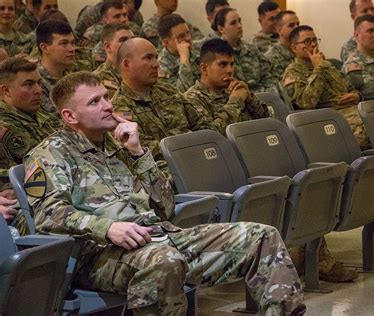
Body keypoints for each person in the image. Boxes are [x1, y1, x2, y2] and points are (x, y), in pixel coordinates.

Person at [24, 71, 306, 315]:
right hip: (100, 256)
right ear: (70, 116)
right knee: (165, 262)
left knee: (262, 237)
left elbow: (166, 205)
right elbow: (49, 215)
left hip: (159, 236)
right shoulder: (51, 153)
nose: (108, 106)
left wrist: (138, 152)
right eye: (95, 102)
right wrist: (107, 227)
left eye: (106, 97)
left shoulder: (118, 146)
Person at [111, 38, 218, 161]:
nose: (156, 64)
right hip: (164, 172)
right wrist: (189, 141)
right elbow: (144, 149)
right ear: (126, 64)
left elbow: (203, 126)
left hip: (200, 159)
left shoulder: (168, 91)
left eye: (156, 57)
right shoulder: (119, 108)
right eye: (148, 58)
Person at [282, 25, 369, 149]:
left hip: (351, 110)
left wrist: (356, 95)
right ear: (294, 47)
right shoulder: (292, 73)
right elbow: (306, 103)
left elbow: (349, 87)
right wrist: (318, 68)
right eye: (307, 41)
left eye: (315, 40)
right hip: (328, 118)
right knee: (368, 128)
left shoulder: (327, 64)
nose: (313, 45)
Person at [185, 38, 269, 134]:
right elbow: (212, 137)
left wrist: (250, 99)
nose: (230, 70)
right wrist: (235, 102)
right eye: (223, 64)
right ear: (204, 69)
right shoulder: (192, 99)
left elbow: (268, 124)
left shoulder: (234, 90)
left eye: (232, 64)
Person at [0, 57, 57, 186]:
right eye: (29, 84)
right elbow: (46, 161)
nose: (38, 91)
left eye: (39, 83)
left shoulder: (34, 112)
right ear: (6, 90)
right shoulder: (5, 122)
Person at [212, 7, 278, 93]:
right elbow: (224, 89)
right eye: (233, 23)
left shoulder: (251, 49)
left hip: (262, 100)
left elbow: (269, 77)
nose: (239, 26)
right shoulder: (216, 55)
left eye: (239, 21)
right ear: (221, 29)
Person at [36, 19, 75, 128]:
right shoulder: (35, 83)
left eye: (72, 43)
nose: (72, 49)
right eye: (64, 44)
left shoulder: (73, 79)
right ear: (44, 48)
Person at [157, 13, 201, 92]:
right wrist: (184, 60)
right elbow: (181, 95)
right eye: (181, 36)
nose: (188, 38)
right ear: (166, 42)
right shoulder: (162, 66)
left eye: (188, 33)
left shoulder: (197, 49)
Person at [93, 23, 134, 98]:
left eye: (132, 39)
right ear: (108, 47)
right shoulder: (98, 78)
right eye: (123, 40)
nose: (131, 43)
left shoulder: (139, 71)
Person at [75, 0, 143, 39]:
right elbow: (77, 38)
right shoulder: (91, 14)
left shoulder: (135, 23)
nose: (123, 19)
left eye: (125, 15)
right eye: (117, 16)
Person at [265, 10, 300, 80]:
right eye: (291, 25)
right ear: (279, 30)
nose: (297, 28)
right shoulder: (270, 58)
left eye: (298, 24)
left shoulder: (302, 51)